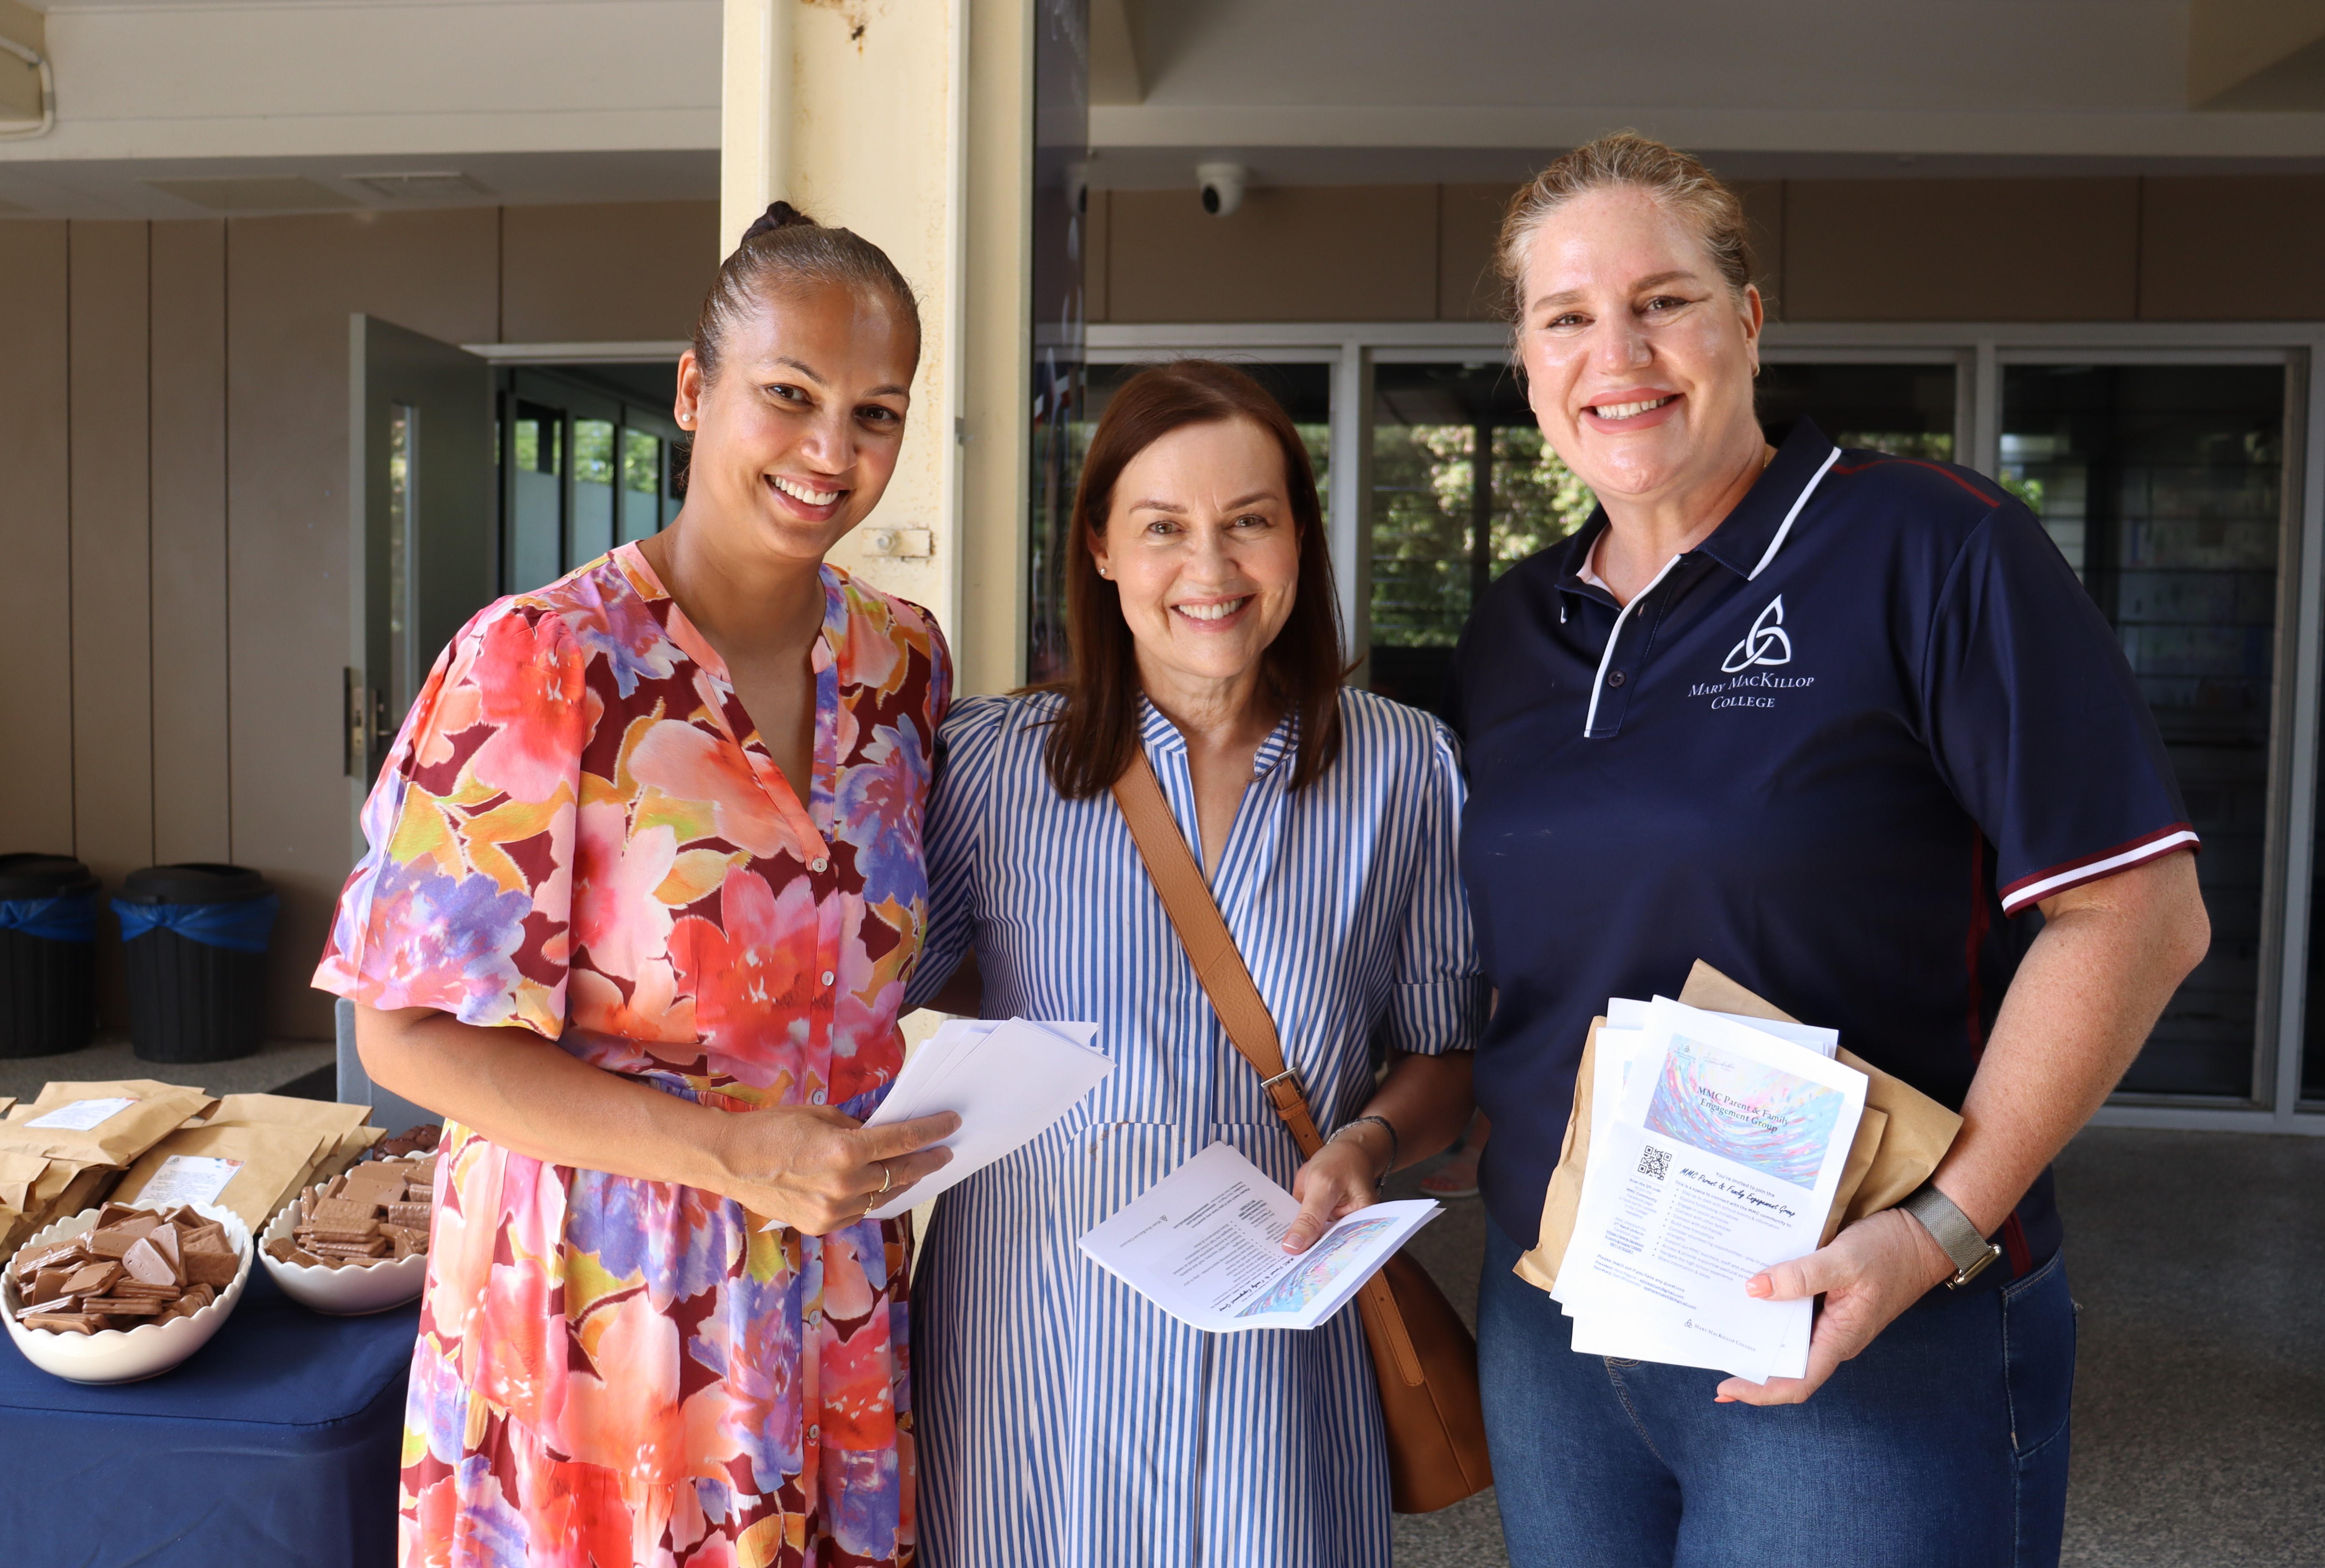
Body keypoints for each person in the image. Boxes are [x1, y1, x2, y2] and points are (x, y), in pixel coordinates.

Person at [1453, 133, 2210, 1568]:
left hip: (1862, 1315)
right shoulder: (1515, 628)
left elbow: (2140, 918)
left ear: (1747, 319)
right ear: (1527, 356)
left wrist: (1935, 1232)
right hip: (1559, 1321)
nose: (1617, 351)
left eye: (1662, 299)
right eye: (1567, 316)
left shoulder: (1932, 550)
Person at [315, 202, 962, 1566]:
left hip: (829, 1294)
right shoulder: (543, 663)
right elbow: (405, 1033)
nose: (831, 454)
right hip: (599, 1317)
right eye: (790, 396)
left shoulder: (903, 667)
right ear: (693, 391)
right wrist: (738, 1153)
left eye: (877, 413)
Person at [902, 361, 1486, 1567]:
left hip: (1281, 1332)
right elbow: (880, 983)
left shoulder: (1406, 770)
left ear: (1299, 541)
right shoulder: (988, 769)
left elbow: (1441, 1053)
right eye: (1164, 528)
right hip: (1034, 1323)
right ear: (1103, 549)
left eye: (1249, 524)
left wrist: (1369, 1143)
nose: (1210, 571)